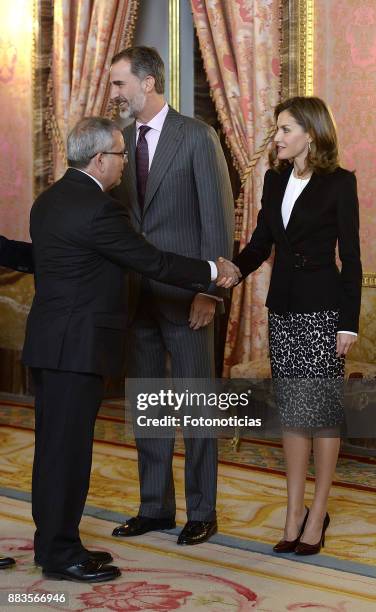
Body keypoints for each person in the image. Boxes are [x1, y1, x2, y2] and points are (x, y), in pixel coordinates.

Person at [1, 116, 239, 582]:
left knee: (53, 451)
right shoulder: (100, 209)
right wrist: (213, 270)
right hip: (77, 349)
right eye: (120, 154)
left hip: (50, 345)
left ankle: (52, 541)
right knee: (67, 454)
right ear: (100, 159)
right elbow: (150, 260)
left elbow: (45, 259)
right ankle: (60, 553)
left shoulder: (50, 200)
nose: (125, 163)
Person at [219, 97, 362, 555]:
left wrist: (349, 324)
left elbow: (353, 260)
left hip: (323, 312)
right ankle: (293, 510)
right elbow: (261, 241)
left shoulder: (341, 184)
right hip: (282, 309)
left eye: (285, 129)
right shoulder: (275, 179)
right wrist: (233, 271)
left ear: (310, 134)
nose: (276, 138)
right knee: (294, 414)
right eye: (277, 129)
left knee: (320, 417)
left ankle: (318, 513)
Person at [109, 46, 234, 546]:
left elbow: (218, 221)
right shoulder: (117, 141)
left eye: (120, 84)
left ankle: (203, 510)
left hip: (188, 299)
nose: (114, 93)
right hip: (136, 297)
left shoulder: (198, 137)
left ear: (148, 82)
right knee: (149, 406)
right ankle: (155, 507)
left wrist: (209, 294)